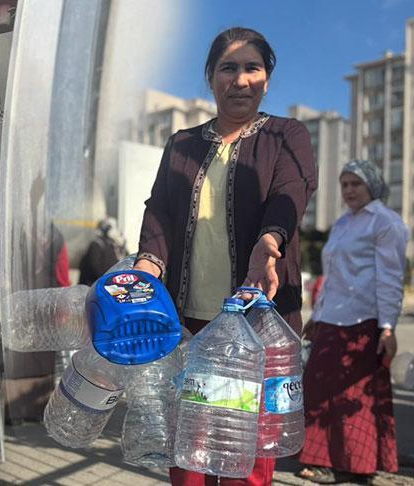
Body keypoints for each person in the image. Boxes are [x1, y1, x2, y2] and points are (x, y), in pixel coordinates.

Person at [132, 27, 317, 485]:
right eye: (228, 68)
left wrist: (268, 243)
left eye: (252, 68)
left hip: (254, 327)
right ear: (211, 77)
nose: (240, 80)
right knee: (189, 452)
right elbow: (159, 210)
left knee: (244, 459)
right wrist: (147, 264)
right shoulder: (182, 144)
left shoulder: (286, 136)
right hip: (188, 325)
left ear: (267, 79)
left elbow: (290, 193)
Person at [297, 160, 405, 483]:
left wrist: (388, 327)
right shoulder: (343, 222)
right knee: (317, 388)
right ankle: (321, 459)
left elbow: (390, 278)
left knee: (354, 396)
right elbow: (332, 276)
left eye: (355, 183)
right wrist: (317, 315)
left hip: (364, 320)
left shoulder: (386, 223)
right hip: (332, 319)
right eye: (344, 184)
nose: (348, 190)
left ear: (372, 185)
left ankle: (357, 465)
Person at [78, 217, 125, 285]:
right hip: (96, 285)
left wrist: (122, 246)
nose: (116, 231)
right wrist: (109, 280)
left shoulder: (113, 245)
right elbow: (96, 268)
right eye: (112, 228)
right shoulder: (97, 244)